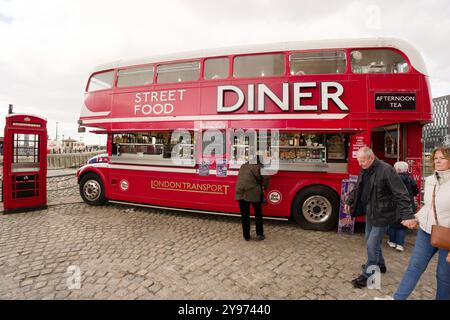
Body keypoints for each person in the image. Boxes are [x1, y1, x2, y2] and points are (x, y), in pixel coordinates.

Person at [344, 147, 416, 288]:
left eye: (363, 161)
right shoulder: (365, 169)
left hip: (384, 214)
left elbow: (401, 192)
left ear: (371, 158)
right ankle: (380, 264)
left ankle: (369, 275)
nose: (360, 164)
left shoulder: (386, 169)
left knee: (372, 243)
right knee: (369, 240)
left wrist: (407, 214)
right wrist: (349, 200)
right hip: (370, 212)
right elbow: (358, 187)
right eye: (359, 161)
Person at [393, 147, 450, 300]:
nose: (437, 160)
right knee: (414, 267)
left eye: (442, 158)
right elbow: (430, 206)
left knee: (444, 276)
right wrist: (415, 218)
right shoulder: (431, 180)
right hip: (426, 231)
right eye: (436, 158)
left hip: (448, 237)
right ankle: (397, 298)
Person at [235, 152, 269, 241]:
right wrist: (265, 187)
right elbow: (266, 178)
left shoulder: (243, 165)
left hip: (240, 191)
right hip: (252, 191)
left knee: (244, 215)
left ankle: (246, 236)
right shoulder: (259, 167)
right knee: (258, 213)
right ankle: (259, 234)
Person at [387, 161, 419, 252]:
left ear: (398, 169)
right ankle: (400, 245)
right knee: (403, 225)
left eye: (394, 168)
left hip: (394, 205)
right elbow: (415, 191)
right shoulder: (410, 178)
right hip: (407, 205)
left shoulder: (393, 179)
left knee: (392, 224)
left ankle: (392, 242)